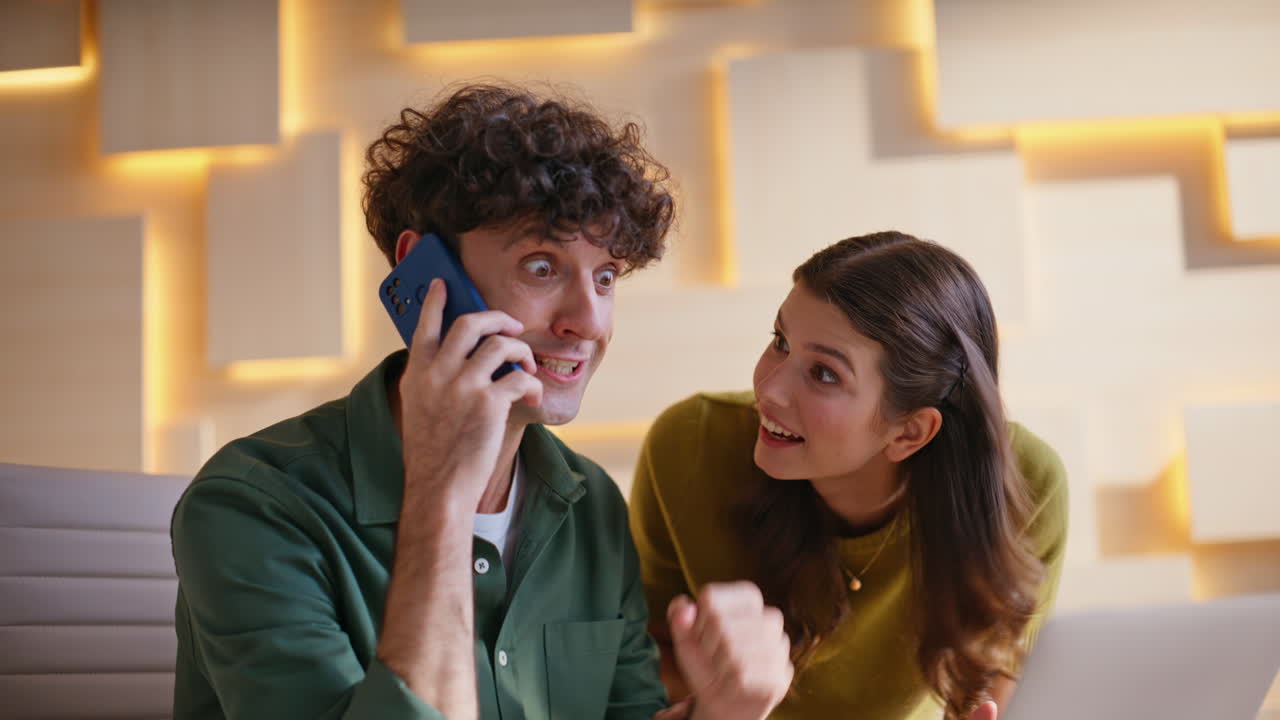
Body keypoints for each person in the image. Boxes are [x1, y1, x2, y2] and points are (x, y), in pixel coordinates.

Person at [170, 83, 793, 720]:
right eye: (542, 267)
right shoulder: (254, 505)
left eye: (605, 277)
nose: (589, 321)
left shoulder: (591, 503)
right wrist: (442, 497)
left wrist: (719, 712)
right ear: (427, 275)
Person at [630, 232, 1068, 720]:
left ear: (910, 432)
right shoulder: (688, 447)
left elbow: (994, 682)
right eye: (780, 342)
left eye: (823, 374)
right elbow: (638, 667)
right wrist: (723, 690)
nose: (769, 390)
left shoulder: (1028, 485)